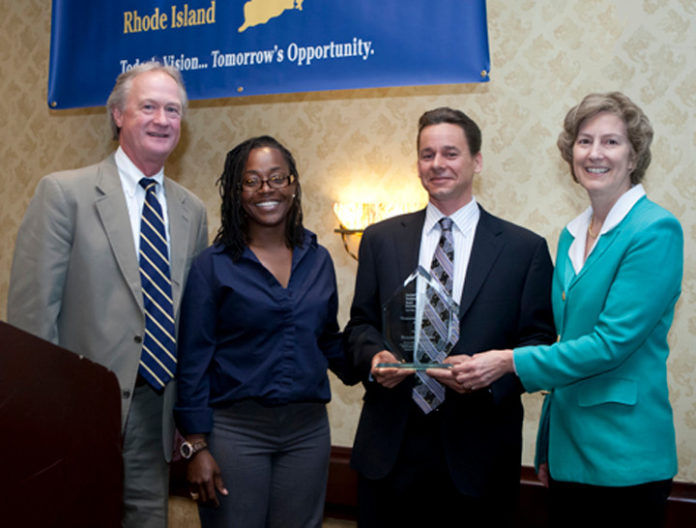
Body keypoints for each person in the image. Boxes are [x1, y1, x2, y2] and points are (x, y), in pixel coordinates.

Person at [453, 92, 682, 527]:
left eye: (611, 142)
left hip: (625, 455)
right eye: (584, 141)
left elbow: (610, 345)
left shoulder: (655, 230)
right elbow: (568, 344)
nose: (594, 153)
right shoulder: (571, 235)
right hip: (568, 452)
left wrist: (508, 361)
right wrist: (547, 445)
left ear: (634, 156)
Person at [7, 61, 209, 528]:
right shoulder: (64, 194)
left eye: (173, 110)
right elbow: (32, 320)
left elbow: (195, 320)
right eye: (149, 107)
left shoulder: (191, 210)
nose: (163, 120)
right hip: (76, 411)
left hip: (157, 409)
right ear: (118, 114)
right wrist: (39, 416)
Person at [344, 107, 556, 527]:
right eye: (427, 154)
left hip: (479, 455)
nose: (437, 164)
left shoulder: (523, 249)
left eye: (450, 153)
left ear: (476, 161)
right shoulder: (380, 240)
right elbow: (359, 326)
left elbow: (541, 342)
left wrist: (490, 373)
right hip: (390, 451)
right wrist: (373, 358)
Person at [174, 136, 346, 528]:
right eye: (251, 181)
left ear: (293, 183)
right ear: (236, 192)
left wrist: (375, 363)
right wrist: (196, 445)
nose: (266, 189)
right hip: (235, 432)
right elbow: (193, 360)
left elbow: (326, 340)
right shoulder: (212, 267)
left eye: (276, 177)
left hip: (307, 431)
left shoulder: (318, 260)